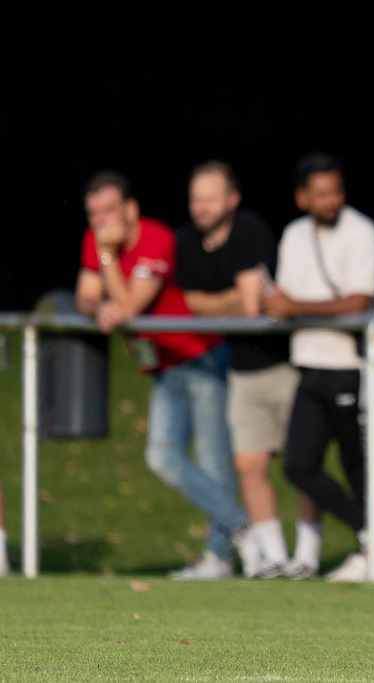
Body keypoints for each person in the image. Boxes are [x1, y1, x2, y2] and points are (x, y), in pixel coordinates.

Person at [74, 170, 252, 579]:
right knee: (161, 457)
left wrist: (106, 259)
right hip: (162, 366)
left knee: (213, 462)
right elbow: (88, 296)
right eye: (94, 214)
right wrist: (96, 309)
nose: (101, 221)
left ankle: (221, 554)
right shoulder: (98, 240)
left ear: (131, 209)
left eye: (109, 211)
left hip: (200, 356)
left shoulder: (155, 238)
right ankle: (242, 530)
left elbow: (131, 305)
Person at [175, 160, 321, 579]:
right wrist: (230, 302)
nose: (201, 207)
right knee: (250, 466)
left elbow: (250, 305)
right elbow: (194, 304)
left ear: (232, 200)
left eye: (210, 198)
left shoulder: (250, 230)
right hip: (241, 370)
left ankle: (307, 555)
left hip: (284, 365)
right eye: (196, 199)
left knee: (301, 464)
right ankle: (273, 557)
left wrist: (215, 303)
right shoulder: (186, 241)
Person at [263, 152, 374, 581]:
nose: (331, 200)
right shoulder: (292, 235)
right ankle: (371, 533)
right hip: (309, 362)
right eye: (321, 193)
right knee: (297, 465)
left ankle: (372, 547)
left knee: (356, 462)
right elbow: (282, 299)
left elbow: (357, 303)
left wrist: (294, 307)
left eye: (336, 191)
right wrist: (286, 307)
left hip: (351, 365)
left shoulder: (364, 233)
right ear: (301, 197)